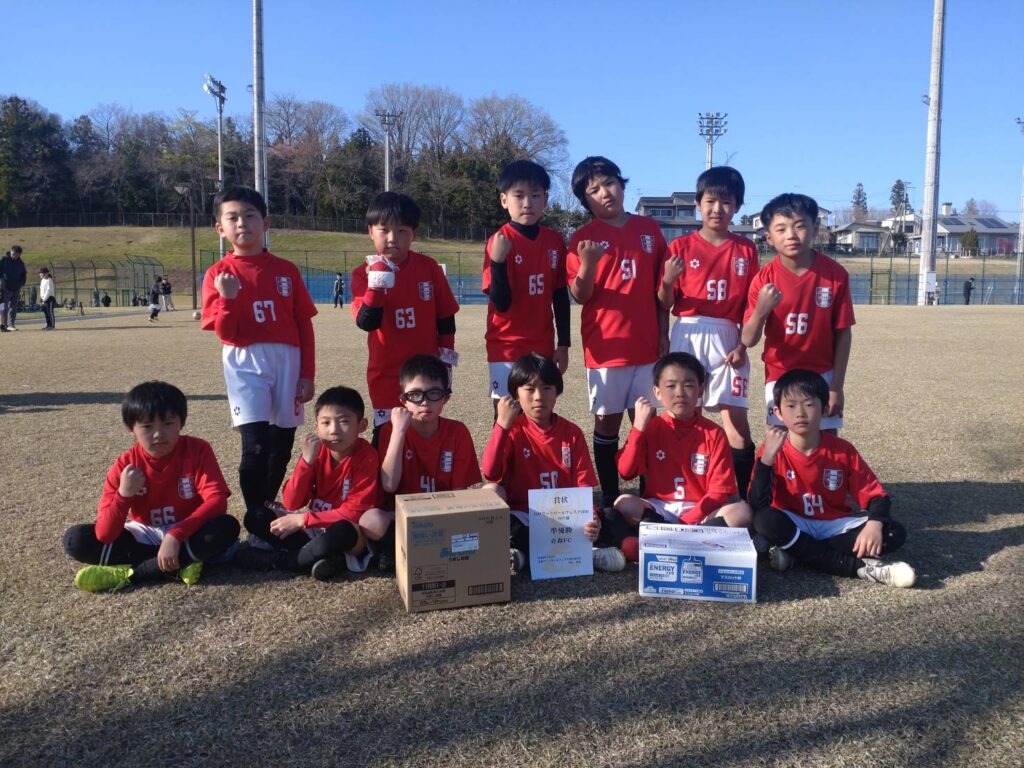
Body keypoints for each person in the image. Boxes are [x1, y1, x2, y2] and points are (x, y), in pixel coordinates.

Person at [200, 186, 318, 534]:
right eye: (233, 217)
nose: (242, 224)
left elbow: (303, 324)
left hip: (288, 359)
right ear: (220, 228)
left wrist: (307, 373)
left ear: (265, 222)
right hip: (245, 360)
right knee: (254, 444)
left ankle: (265, 511)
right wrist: (228, 299)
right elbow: (226, 334)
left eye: (250, 216)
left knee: (281, 444)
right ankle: (255, 520)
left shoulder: (286, 270)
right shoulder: (218, 274)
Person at [62, 381, 240, 592]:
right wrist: (124, 494)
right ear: (131, 429)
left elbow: (217, 501)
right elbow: (105, 534)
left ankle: (134, 573)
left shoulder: (198, 449)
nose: (158, 434)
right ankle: (182, 562)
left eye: (168, 423)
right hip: (144, 534)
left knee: (226, 527)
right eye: (147, 426)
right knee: (76, 540)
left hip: (189, 529)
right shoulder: (125, 465)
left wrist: (176, 535)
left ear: (181, 422)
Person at [567, 156, 669, 511]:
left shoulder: (649, 229)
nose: (604, 193)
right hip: (606, 348)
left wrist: (664, 333)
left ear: (621, 184)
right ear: (585, 200)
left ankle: (650, 495)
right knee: (606, 423)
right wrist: (589, 263)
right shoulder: (582, 238)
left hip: (647, 346)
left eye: (609, 183)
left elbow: (661, 289)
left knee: (647, 424)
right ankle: (611, 498)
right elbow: (580, 295)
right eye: (593, 190)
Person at [750, 369, 915, 587]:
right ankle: (860, 568)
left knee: (893, 533)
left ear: (825, 409)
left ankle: (795, 554)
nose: (800, 413)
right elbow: (757, 503)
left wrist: (875, 523)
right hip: (793, 522)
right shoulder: (772, 448)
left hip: (833, 526)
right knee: (764, 521)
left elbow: (876, 496)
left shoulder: (842, 450)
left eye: (809, 404)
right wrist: (767, 460)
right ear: (778, 412)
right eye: (791, 406)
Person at [658, 167, 759, 497]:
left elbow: (750, 304)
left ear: (737, 206)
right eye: (711, 201)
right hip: (688, 332)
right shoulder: (680, 246)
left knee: (736, 421)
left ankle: (744, 496)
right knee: (686, 416)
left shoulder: (746, 250)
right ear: (698, 204)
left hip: (728, 336)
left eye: (726, 202)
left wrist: (743, 346)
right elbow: (664, 301)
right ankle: (690, 489)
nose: (718, 209)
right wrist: (668, 281)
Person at [482, 353, 626, 574]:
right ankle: (582, 554)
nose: (538, 396)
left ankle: (527, 555)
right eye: (530, 389)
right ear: (515, 394)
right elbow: (491, 472)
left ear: (557, 392)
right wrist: (501, 424)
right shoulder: (512, 430)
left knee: (611, 516)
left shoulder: (572, 433)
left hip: (566, 516)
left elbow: (583, 485)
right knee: (491, 498)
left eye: (547, 388)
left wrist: (591, 516)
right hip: (525, 515)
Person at [611, 352, 752, 559]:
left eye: (688, 385)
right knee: (623, 503)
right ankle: (692, 541)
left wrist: (684, 522)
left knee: (742, 512)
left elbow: (718, 492)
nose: (679, 393)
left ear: (701, 390)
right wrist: (638, 427)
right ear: (657, 392)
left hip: (702, 511)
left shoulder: (714, 433)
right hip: (659, 509)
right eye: (670, 386)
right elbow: (626, 471)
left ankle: (664, 540)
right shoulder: (650, 428)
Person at [236, 386, 379, 581]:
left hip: (344, 531)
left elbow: (355, 513)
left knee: (343, 530)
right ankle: (321, 558)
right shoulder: (316, 451)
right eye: (326, 423)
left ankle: (284, 561)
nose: (334, 430)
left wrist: (302, 519)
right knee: (255, 516)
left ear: (362, 425)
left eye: (344, 421)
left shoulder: (367, 456)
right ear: (316, 427)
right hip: (312, 529)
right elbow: (292, 502)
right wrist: (306, 462)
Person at [350, 192, 459, 444]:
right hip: (386, 374)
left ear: (414, 234)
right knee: (387, 436)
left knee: (424, 433)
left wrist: (446, 363)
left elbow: (445, 317)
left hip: (427, 372)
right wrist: (376, 283)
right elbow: (367, 322)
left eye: (401, 231)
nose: (392, 238)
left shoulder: (429, 268)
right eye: (384, 230)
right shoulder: (362, 273)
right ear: (370, 231)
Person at [741, 193, 854, 432]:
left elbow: (843, 333)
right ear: (769, 237)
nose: (791, 235)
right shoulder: (763, 280)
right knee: (780, 440)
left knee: (826, 441)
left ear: (815, 227)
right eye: (781, 229)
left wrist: (836, 386)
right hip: (780, 376)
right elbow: (748, 340)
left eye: (800, 226)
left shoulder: (835, 275)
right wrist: (760, 311)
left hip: (823, 373)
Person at [366, 354, 482, 568]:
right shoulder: (390, 431)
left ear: (446, 397)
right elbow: (389, 484)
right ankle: (404, 550)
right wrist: (399, 431)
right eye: (415, 395)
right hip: (402, 516)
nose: (425, 402)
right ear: (403, 399)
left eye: (434, 393)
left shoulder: (458, 431)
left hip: (443, 514)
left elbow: (460, 492)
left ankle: (411, 552)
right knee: (371, 520)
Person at [482, 160, 570, 416]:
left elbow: (560, 296)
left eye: (535, 195)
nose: (527, 203)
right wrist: (498, 262)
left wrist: (563, 344)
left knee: (539, 414)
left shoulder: (554, 241)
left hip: (542, 344)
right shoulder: (499, 241)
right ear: (504, 200)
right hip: (506, 345)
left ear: (546, 199)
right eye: (518, 195)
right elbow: (501, 304)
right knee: (507, 415)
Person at [1, 245, 27, 331]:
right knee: (4, 307)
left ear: (19, 254)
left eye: (16, 255)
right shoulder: (4, 260)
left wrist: (21, 283)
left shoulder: (21, 263)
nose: (14, 256)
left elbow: (24, 274)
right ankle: (3, 325)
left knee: (14, 307)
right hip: (5, 287)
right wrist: (3, 280)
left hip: (16, 287)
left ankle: (11, 325)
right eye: (13, 254)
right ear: (11, 251)